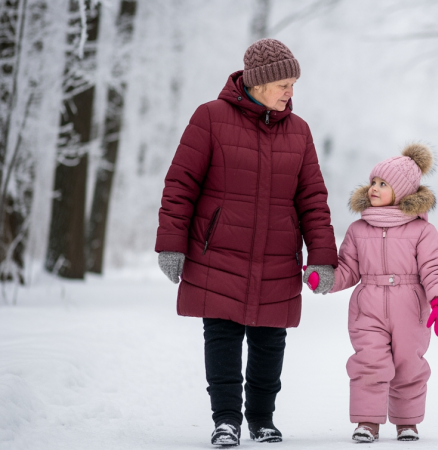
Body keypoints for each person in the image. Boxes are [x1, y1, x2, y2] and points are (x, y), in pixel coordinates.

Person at [155, 38, 337, 446]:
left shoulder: (299, 131)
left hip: (276, 255)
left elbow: (312, 199)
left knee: (271, 337)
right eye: (284, 84)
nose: (291, 93)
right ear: (258, 82)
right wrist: (172, 244)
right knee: (222, 334)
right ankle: (225, 421)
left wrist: (321, 257)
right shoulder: (210, 118)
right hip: (218, 252)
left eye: (294, 85)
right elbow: (180, 184)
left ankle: (261, 419)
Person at [309, 143, 438, 442]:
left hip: (411, 307)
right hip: (368, 305)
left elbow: (434, 268)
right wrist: (324, 281)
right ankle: (367, 421)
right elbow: (349, 269)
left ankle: (407, 422)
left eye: (383, 184)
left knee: (408, 364)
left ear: (401, 192)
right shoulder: (358, 229)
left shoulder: (422, 231)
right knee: (369, 362)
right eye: (373, 181)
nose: (373, 188)